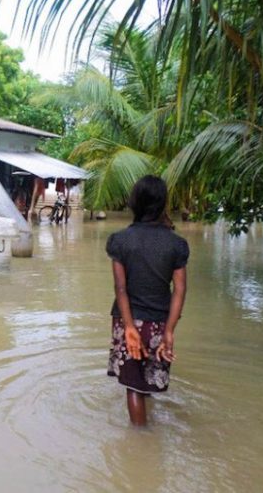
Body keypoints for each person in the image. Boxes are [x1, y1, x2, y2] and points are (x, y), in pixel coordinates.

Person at [105, 175, 189, 426]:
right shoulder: (177, 244)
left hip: (127, 320)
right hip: (160, 323)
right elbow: (180, 290)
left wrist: (130, 328)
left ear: (134, 203)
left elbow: (121, 289)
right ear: (163, 204)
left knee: (133, 387)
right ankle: (147, 433)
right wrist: (170, 331)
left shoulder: (120, 240)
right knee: (147, 380)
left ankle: (140, 440)